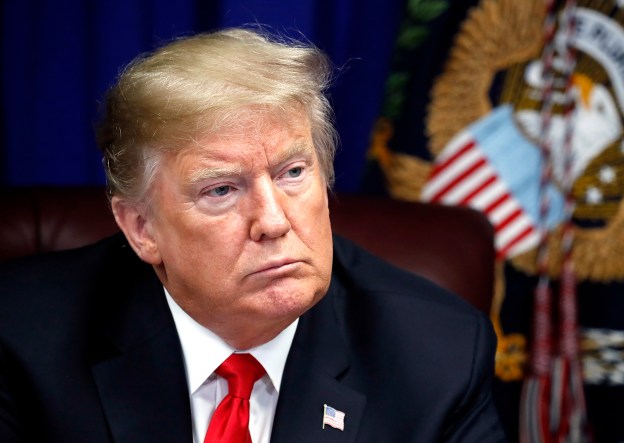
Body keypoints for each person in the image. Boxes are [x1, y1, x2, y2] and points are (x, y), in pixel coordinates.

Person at [0, 27, 505, 442]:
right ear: (141, 227)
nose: (274, 221)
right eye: (221, 190)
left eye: (292, 173)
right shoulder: (22, 339)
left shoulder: (439, 356)